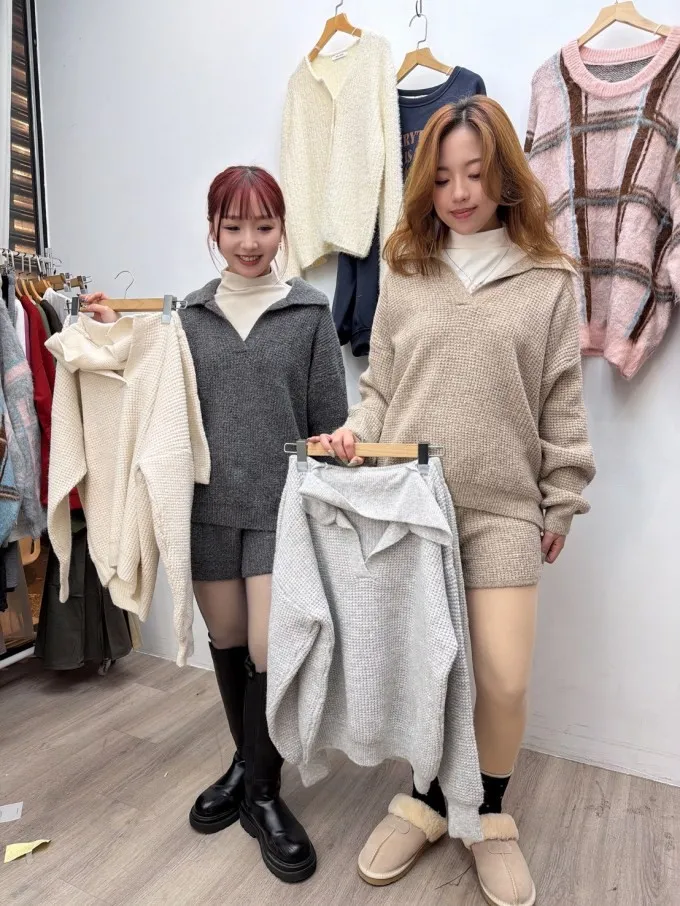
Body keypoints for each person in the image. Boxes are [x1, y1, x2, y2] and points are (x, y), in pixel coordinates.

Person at [315, 97, 596, 906]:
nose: (460, 193)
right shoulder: (404, 270)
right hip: (411, 504)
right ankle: (430, 801)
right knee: (425, 673)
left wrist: (560, 499)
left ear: (504, 174)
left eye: (476, 173)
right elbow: (380, 389)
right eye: (442, 178)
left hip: (504, 508)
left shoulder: (549, 279)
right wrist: (351, 434)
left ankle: (488, 816)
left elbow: (561, 399)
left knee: (502, 679)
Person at [83, 165, 348, 884]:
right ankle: (245, 760)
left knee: (268, 644)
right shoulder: (186, 319)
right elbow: (141, 383)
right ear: (213, 230)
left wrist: (339, 452)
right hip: (204, 509)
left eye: (264, 225)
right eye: (233, 227)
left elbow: (330, 420)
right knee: (227, 641)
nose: (249, 241)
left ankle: (262, 793)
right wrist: (110, 332)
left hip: (280, 509)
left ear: (282, 228)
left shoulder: (309, 312)